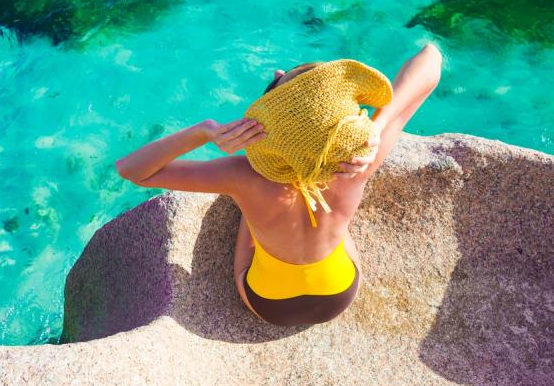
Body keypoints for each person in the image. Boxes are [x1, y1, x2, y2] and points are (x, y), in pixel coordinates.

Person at [115, 43, 442, 326]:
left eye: (282, 80)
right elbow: (431, 59)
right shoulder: (356, 165)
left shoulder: (241, 174)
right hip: (339, 293)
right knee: (337, 230)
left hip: (269, 305)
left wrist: (202, 132)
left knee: (247, 212)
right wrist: (379, 125)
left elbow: (131, 170)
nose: (279, 72)